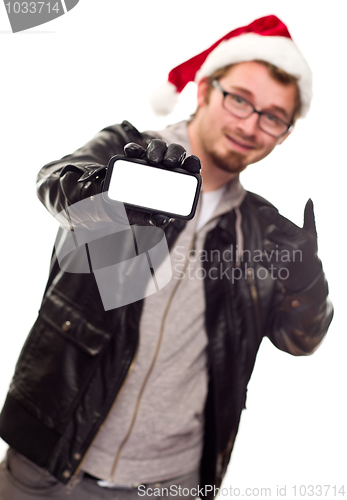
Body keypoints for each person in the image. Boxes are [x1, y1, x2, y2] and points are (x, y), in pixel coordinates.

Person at [0, 14, 333, 500]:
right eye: (239, 99)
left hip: (170, 483)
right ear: (204, 91)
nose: (249, 124)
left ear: (283, 134)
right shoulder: (126, 153)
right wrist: (112, 193)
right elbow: (55, 184)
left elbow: (302, 341)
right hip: (47, 463)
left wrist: (306, 280)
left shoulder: (263, 232)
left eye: (273, 116)